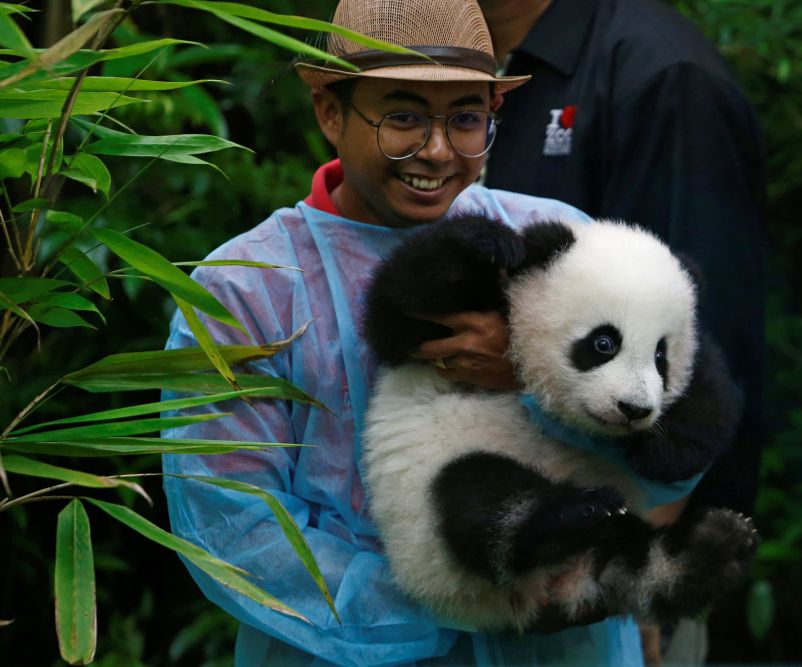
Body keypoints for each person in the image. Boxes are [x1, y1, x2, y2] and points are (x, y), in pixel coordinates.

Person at [161, 0, 647, 665]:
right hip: (337, 649)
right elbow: (235, 526)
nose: (439, 149)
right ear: (331, 111)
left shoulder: (561, 245)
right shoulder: (247, 288)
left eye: (467, 118)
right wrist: (460, 604)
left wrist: (533, 378)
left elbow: (665, 442)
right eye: (404, 115)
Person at [477, 0, 767, 662]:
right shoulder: (478, 60)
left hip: (627, 553)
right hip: (515, 531)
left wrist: (643, 565)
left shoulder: (661, 72)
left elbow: (703, 334)